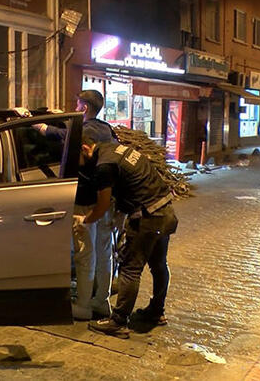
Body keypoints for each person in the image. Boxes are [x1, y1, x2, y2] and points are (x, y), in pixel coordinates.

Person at [80, 129, 178, 338]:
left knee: (130, 269)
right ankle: (156, 312)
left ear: (85, 148)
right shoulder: (118, 149)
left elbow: (103, 204)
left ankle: (117, 321)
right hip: (165, 210)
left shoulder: (103, 166)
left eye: (79, 158)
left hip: (147, 217)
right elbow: (132, 183)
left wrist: (85, 220)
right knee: (159, 265)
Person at [35, 90, 118, 320]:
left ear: (84, 108)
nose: (75, 106)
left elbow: (59, 135)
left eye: (77, 103)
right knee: (104, 252)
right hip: (107, 198)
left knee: (84, 252)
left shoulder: (83, 130)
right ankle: (102, 301)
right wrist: (61, 116)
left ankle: (82, 305)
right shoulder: (106, 129)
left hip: (85, 199)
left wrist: (37, 125)